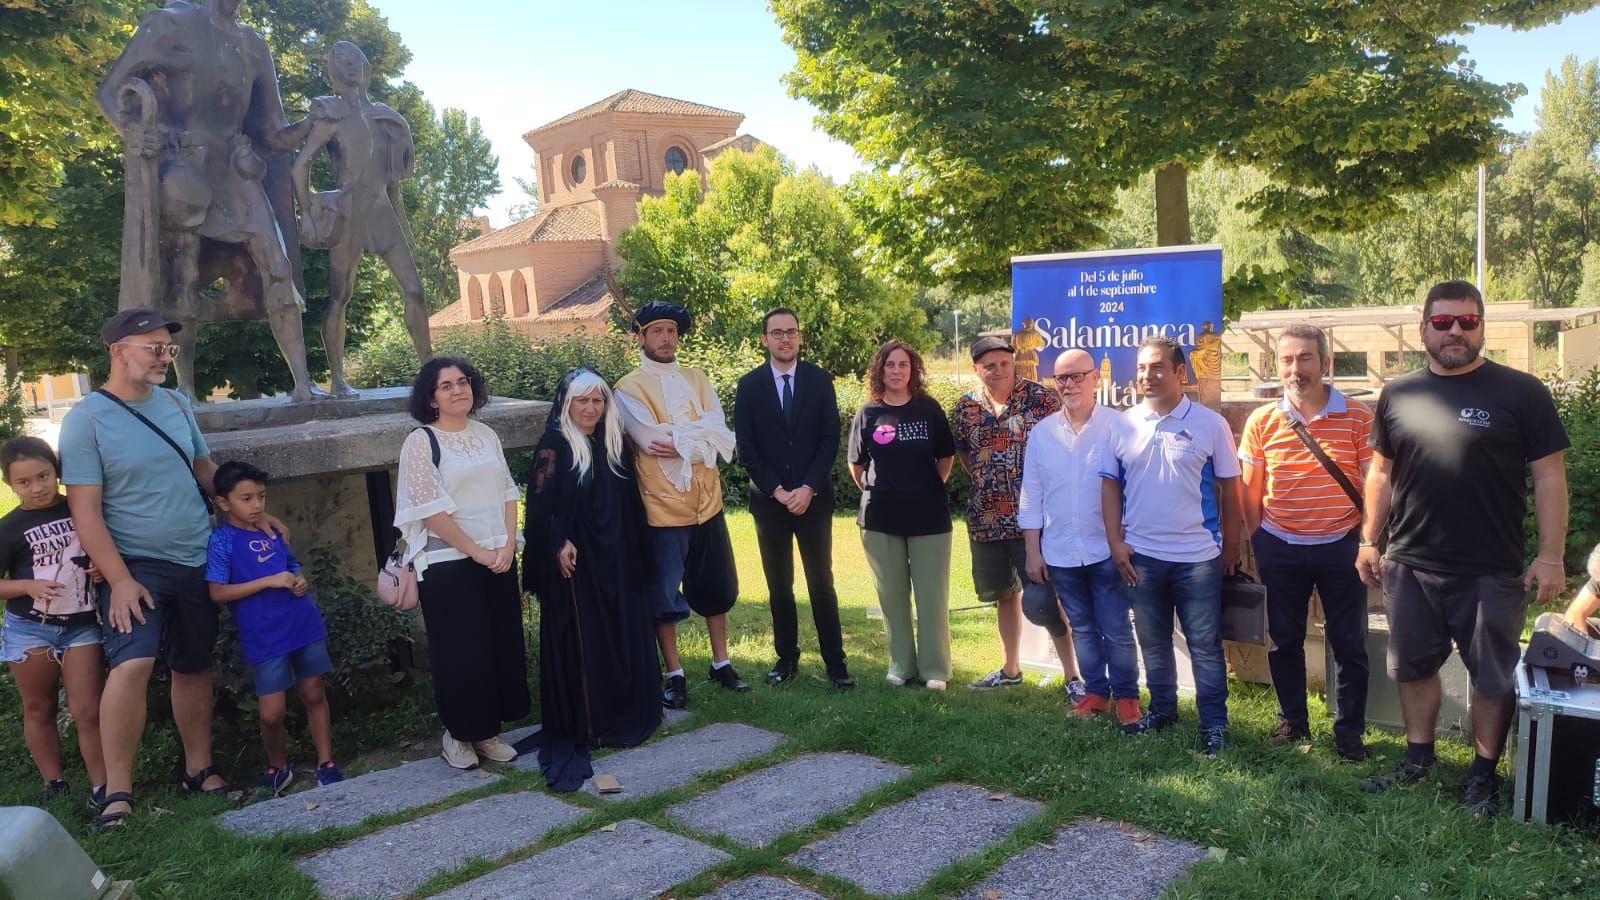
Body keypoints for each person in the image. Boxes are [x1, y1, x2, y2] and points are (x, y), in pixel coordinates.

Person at [63, 307, 290, 830]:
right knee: (133, 665)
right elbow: (85, 511)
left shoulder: (175, 404)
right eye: (154, 348)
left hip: (195, 556)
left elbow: (203, 467)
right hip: (136, 564)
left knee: (193, 666)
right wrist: (118, 580)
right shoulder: (86, 420)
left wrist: (246, 511)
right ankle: (117, 792)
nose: (165, 357)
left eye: (167, 348)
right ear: (118, 352)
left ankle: (199, 770)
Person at [1356, 280, 1568, 817]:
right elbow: (1380, 472)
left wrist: (1550, 555)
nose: (1455, 331)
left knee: (1492, 676)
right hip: (1409, 562)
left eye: (1467, 322)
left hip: (1489, 569)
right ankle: (1418, 759)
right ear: (1424, 327)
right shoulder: (1398, 393)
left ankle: (1482, 775)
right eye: (1444, 321)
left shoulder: (1521, 393)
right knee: (1413, 667)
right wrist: (1367, 539)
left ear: (1481, 327)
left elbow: (1549, 478)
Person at [1100, 336, 1242, 756]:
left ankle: (1215, 724)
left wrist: (1230, 547)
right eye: (1142, 367)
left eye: (1158, 367)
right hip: (1140, 556)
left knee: (1203, 644)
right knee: (1154, 640)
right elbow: (1109, 487)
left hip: (1197, 558)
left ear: (1181, 373)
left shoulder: (1209, 424)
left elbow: (1232, 491)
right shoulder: (1122, 424)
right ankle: (1162, 710)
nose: (1147, 375)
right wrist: (1115, 543)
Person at [522, 369, 662, 790]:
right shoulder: (554, 444)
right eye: (582, 401)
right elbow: (541, 506)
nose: (590, 408)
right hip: (578, 562)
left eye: (597, 401)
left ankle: (625, 713)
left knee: (622, 629)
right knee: (588, 637)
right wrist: (557, 542)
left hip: (616, 555)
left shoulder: (612, 442)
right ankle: (591, 720)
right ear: (567, 403)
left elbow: (628, 503)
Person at [1238, 324, 1373, 761]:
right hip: (1280, 544)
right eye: (1287, 360)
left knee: (1349, 641)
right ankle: (1292, 721)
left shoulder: (1358, 417)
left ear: (1326, 363)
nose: (1296, 368)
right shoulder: (1262, 421)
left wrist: (1368, 539)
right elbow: (1249, 489)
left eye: (1306, 358)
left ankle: (1349, 733)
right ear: (1277, 366)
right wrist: (1258, 539)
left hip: (1342, 545)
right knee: (1284, 639)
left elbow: (1374, 484)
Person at [394, 357, 530, 770]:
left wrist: (507, 544)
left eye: (463, 382)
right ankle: (458, 735)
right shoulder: (421, 441)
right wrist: (477, 551)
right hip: (449, 562)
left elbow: (508, 490)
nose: (458, 390)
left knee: (498, 646)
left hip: (498, 558)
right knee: (461, 653)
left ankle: (487, 732)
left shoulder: (486, 433)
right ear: (431, 398)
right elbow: (430, 509)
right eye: (446, 385)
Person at [614, 302, 746, 708]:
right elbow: (649, 441)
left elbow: (722, 434)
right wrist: (696, 434)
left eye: (671, 331)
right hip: (661, 506)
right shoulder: (628, 388)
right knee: (664, 593)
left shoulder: (697, 378)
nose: (666, 339)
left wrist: (687, 437)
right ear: (640, 338)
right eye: (656, 332)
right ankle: (675, 673)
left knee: (716, 585)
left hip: (707, 501)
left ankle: (721, 662)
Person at [293, 41, 432, 397]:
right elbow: (300, 165)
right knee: (341, 296)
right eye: (341, 62)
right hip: (349, 214)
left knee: (415, 290)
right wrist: (309, 209)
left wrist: (403, 223)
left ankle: (430, 373)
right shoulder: (332, 115)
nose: (350, 66)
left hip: (382, 214)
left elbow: (393, 180)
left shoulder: (384, 115)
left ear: (365, 65)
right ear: (334, 70)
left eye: (355, 59)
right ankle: (338, 379)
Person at [953, 335, 1081, 697]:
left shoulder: (1041, 399)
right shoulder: (966, 407)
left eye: (1004, 363)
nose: (998, 371)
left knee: (1045, 598)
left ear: (1014, 363)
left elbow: (1065, 446)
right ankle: (1010, 669)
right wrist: (988, 480)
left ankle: (1072, 676)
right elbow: (964, 454)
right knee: (1003, 595)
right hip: (987, 519)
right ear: (977, 369)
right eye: (989, 365)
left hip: (1035, 522)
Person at [1019, 350, 1142, 726]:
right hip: (1060, 551)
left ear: (1094, 378)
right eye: (1061, 378)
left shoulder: (1120, 426)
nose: (1069, 384)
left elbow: (1136, 489)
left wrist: (1127, 540)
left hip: (1107, 549)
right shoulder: (1042, 433)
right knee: (1083, 627)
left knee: (1116, 626)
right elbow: (1031, 494)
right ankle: (1095, 692)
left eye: (1077, 376)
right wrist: (1032, 551)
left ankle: (1127, 697)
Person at [206, 461, 342, 796]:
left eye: (261, 497)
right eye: (246, 498)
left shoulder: (273, 531)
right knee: (271, 713)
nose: (256, 505)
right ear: (224, 503)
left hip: (301, 622)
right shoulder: (221, 542)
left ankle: (326, 761)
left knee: (313, 692)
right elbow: (218, 592)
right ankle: (277, 766)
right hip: (263, 634)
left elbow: (290, 565)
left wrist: (297, 579)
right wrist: (268, 581)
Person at [733, 308, 852, 689]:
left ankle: (836, 662)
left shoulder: (819, 380)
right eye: (777, 333)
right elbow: (746, 447)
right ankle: (786, 658)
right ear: (764, 339)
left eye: (792, 333)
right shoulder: (749, 385)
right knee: (779, 585)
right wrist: (779, 491)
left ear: (800, 338)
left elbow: (829, 438)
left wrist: (807, 488)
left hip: (813, 500)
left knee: (821, 583)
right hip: (771, 503)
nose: (785, 339)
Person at [0, 437, 106, 808]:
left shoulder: (81, 509)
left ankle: (103, 786)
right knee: (39, 707)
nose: (37, 487)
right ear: (10, 486)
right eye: (24, 482)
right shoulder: (9, 527)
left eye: (43, 476)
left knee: (87, 709)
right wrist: (27, 584)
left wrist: (100, 567)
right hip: (29, 627)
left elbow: (105, 548)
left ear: (56, 471)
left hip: (81, 625)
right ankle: (54, 781)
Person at [849, 340, 957, 691]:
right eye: (889, 365)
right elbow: (857, 465)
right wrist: (883, 489)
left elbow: (945, 457)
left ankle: (935, 670)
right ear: (879, 370)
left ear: (913, 371)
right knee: (892, 598)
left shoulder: (929, 410)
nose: (896, 371)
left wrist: (924, 487)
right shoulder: (868, 413)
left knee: (931, 596)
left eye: (903, 365)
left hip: (929, 517)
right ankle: (900, 665)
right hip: (881, 518)